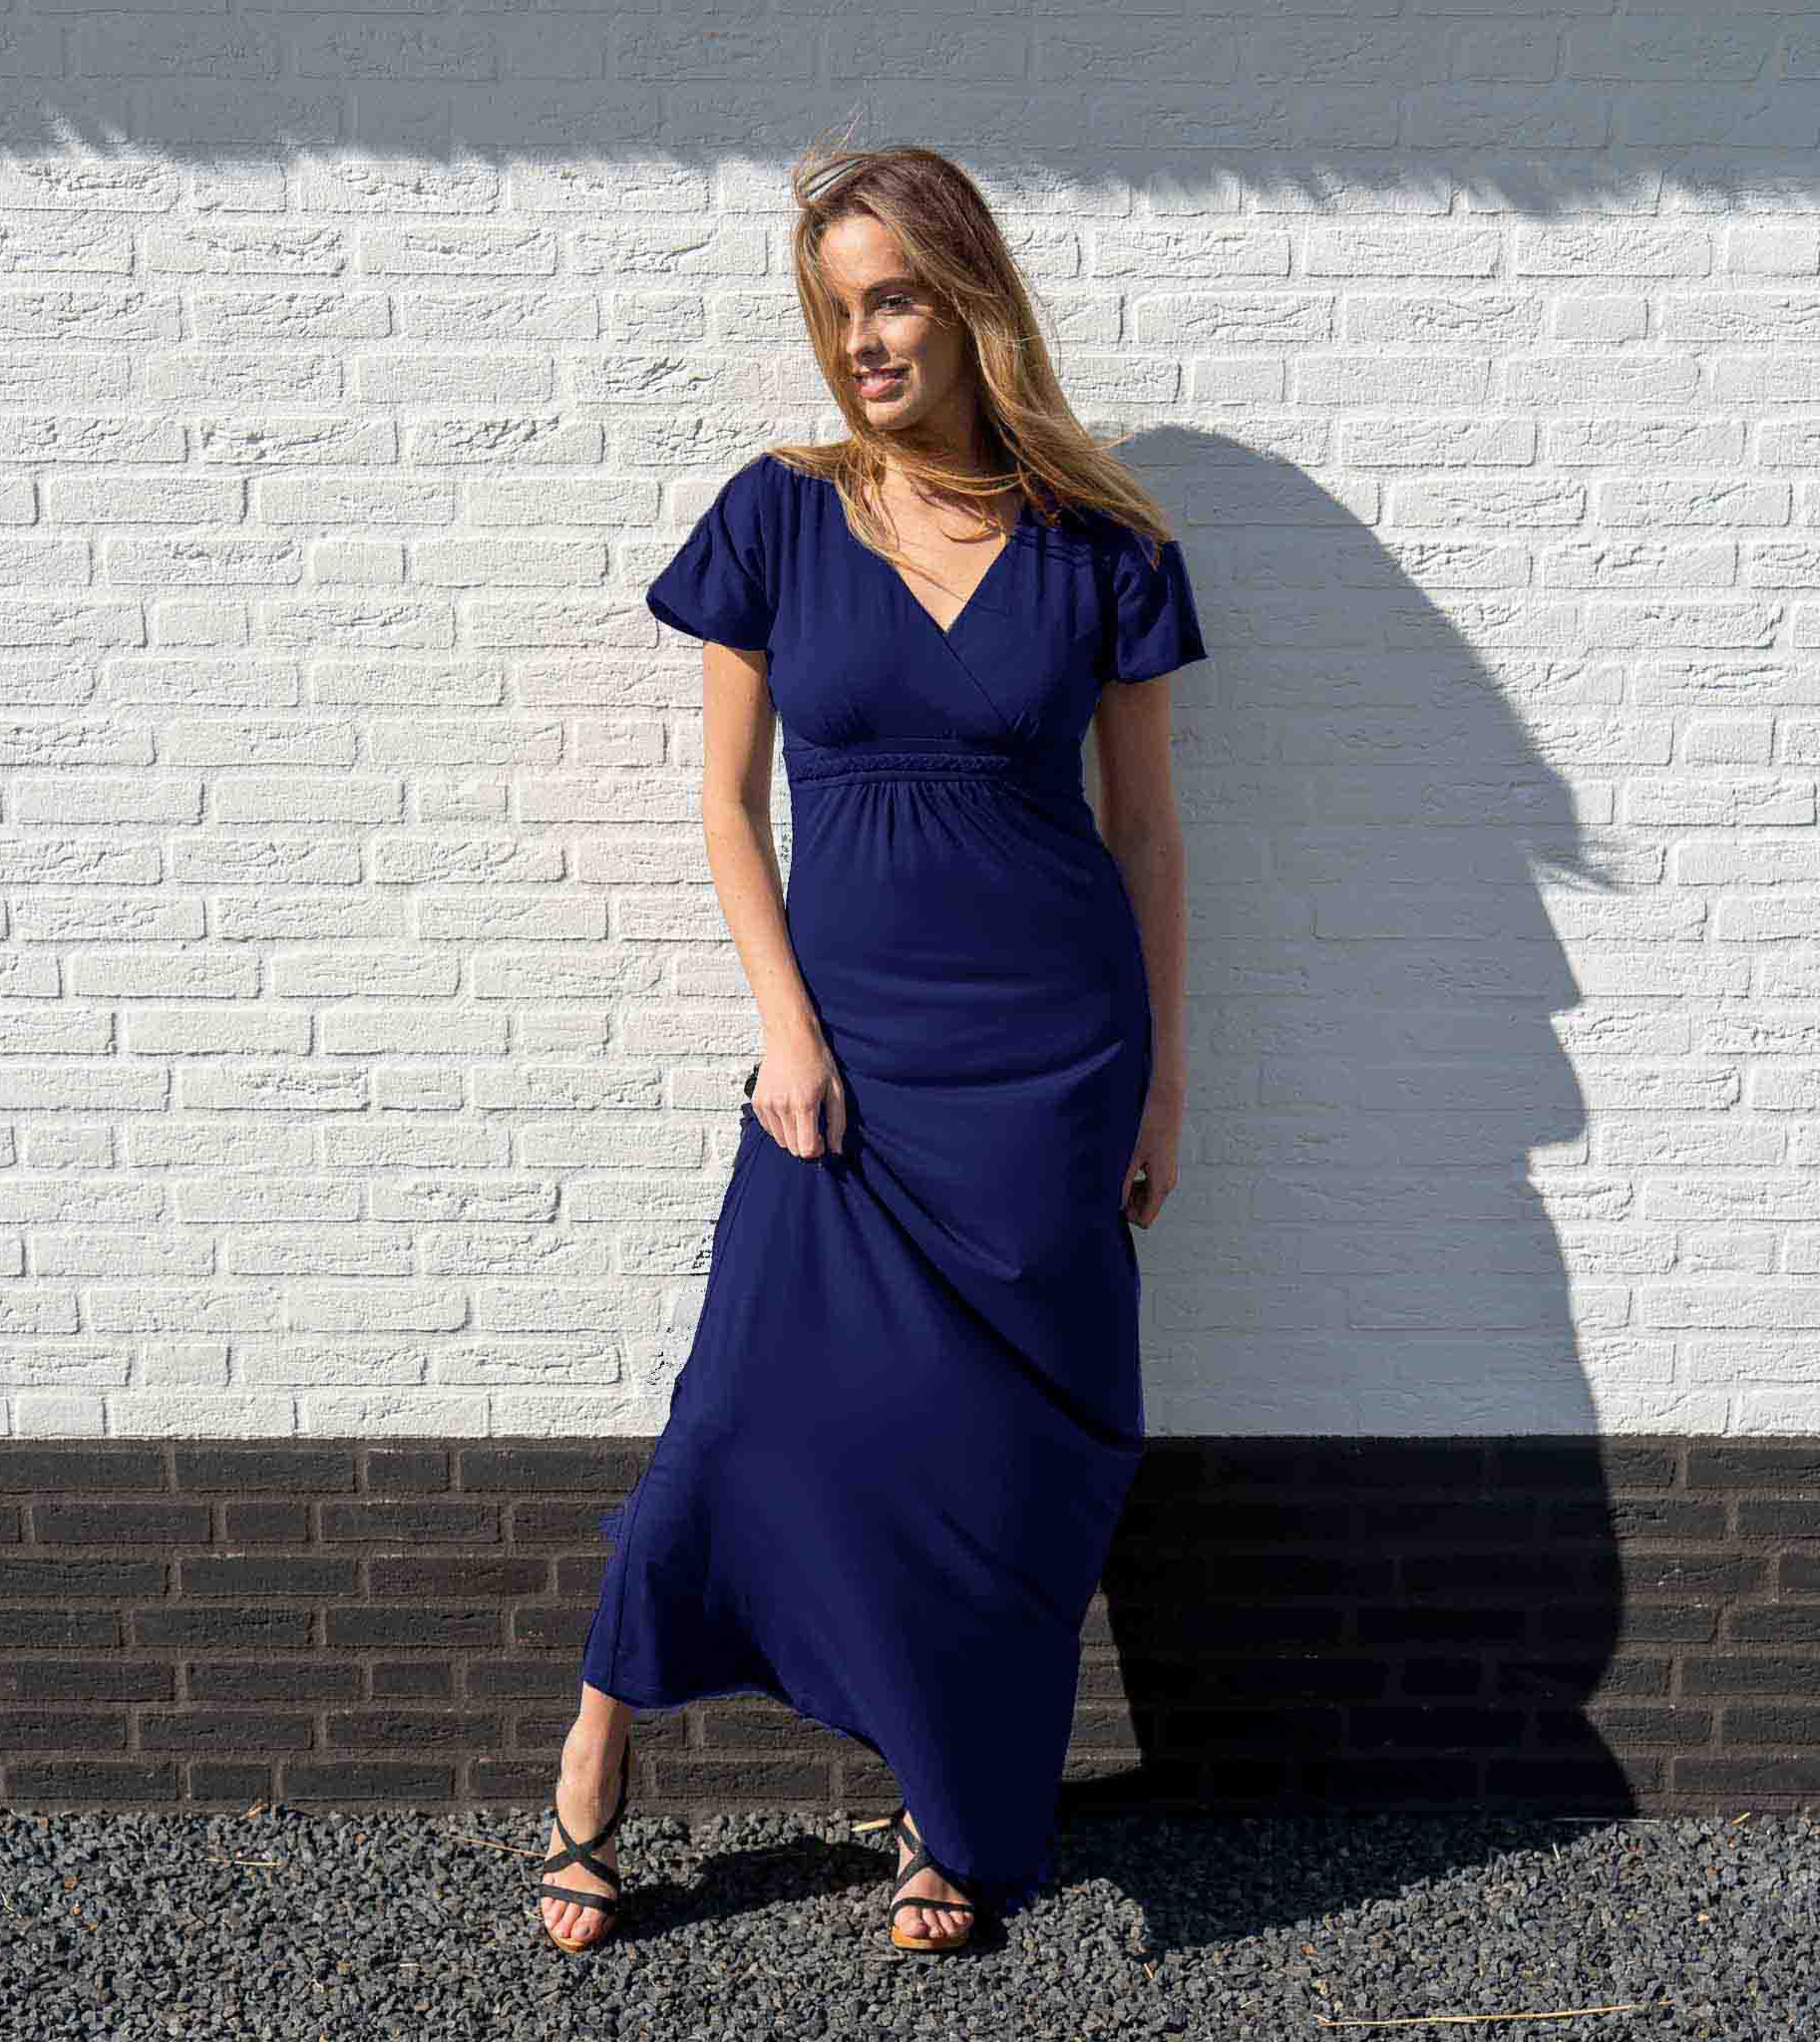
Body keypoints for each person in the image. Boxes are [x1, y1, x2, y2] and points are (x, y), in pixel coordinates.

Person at [533, 139, 1207, 1957]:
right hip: (844, 1061)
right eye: (837, 311)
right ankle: (597, 1747)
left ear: (972, 301)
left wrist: (1162, 1081)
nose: (864, 343)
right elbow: (726, 808)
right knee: (734, 1417)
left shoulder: (1104, 544)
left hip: (1052, 1063)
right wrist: (787, 1032)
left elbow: (1148, 836)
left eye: (894, 298)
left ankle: (947, 1812)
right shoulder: (778, 516)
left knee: (993, 1465)